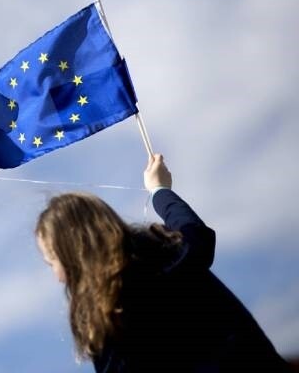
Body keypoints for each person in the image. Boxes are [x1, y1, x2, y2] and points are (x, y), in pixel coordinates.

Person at [35, 154, 291, 372]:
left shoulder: (104, 325)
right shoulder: (164, 251)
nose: (57, 277)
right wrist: (160, 190)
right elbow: (195, 234)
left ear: (74, 255)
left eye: (53, 262)